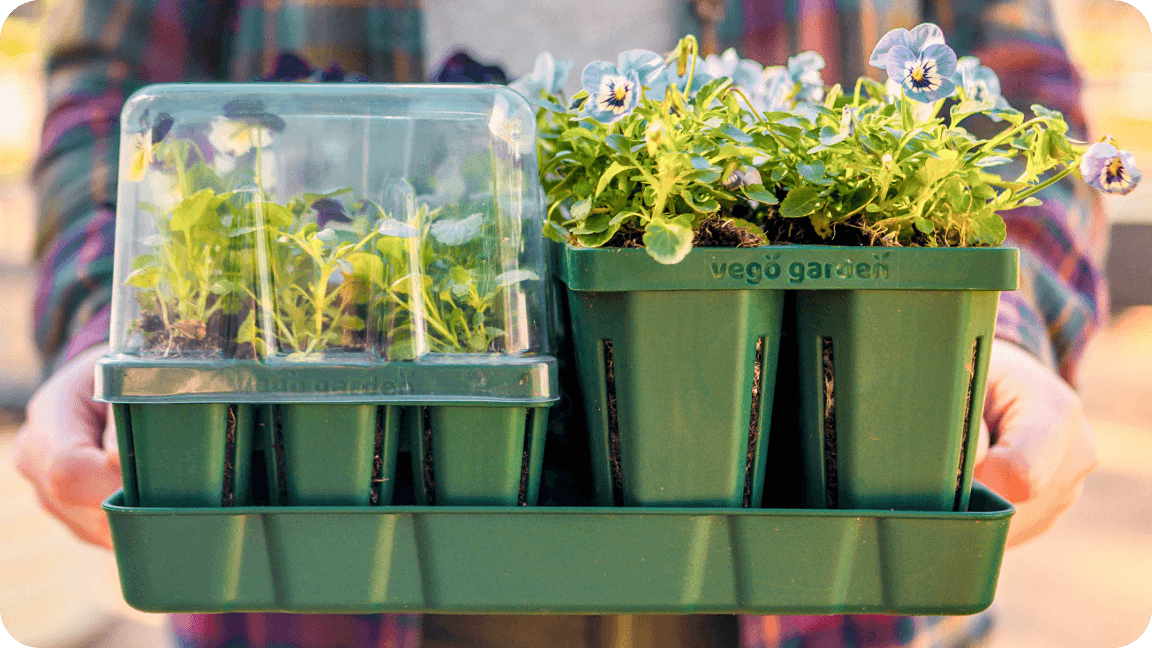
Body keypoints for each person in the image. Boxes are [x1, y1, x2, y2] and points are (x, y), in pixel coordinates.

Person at [14, 1, 1102, 647]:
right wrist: (109, 332)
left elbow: (1012, 82)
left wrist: (986, 340)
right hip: (318, 580)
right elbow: (114, 82)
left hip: (812, 593)